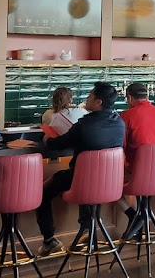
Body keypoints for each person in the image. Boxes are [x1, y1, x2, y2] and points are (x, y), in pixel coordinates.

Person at [36, 82, 124, 256]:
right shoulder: (119, 123)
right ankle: (86, 228)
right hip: (109, 184)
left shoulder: (84, 125)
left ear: (98, 102)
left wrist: (47, 139)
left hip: (81, 181)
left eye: (90, 95)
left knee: (42, 192)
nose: (86, 98)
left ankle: (49, 240)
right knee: (89, 181)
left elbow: (58, 144)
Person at [118, 82, 155, 240]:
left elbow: (121, 146)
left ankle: (134, 216)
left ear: (129, 97)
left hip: (137, 174)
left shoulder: (126, 116)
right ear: (147, 96)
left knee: (107, 182)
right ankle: (139, 217)